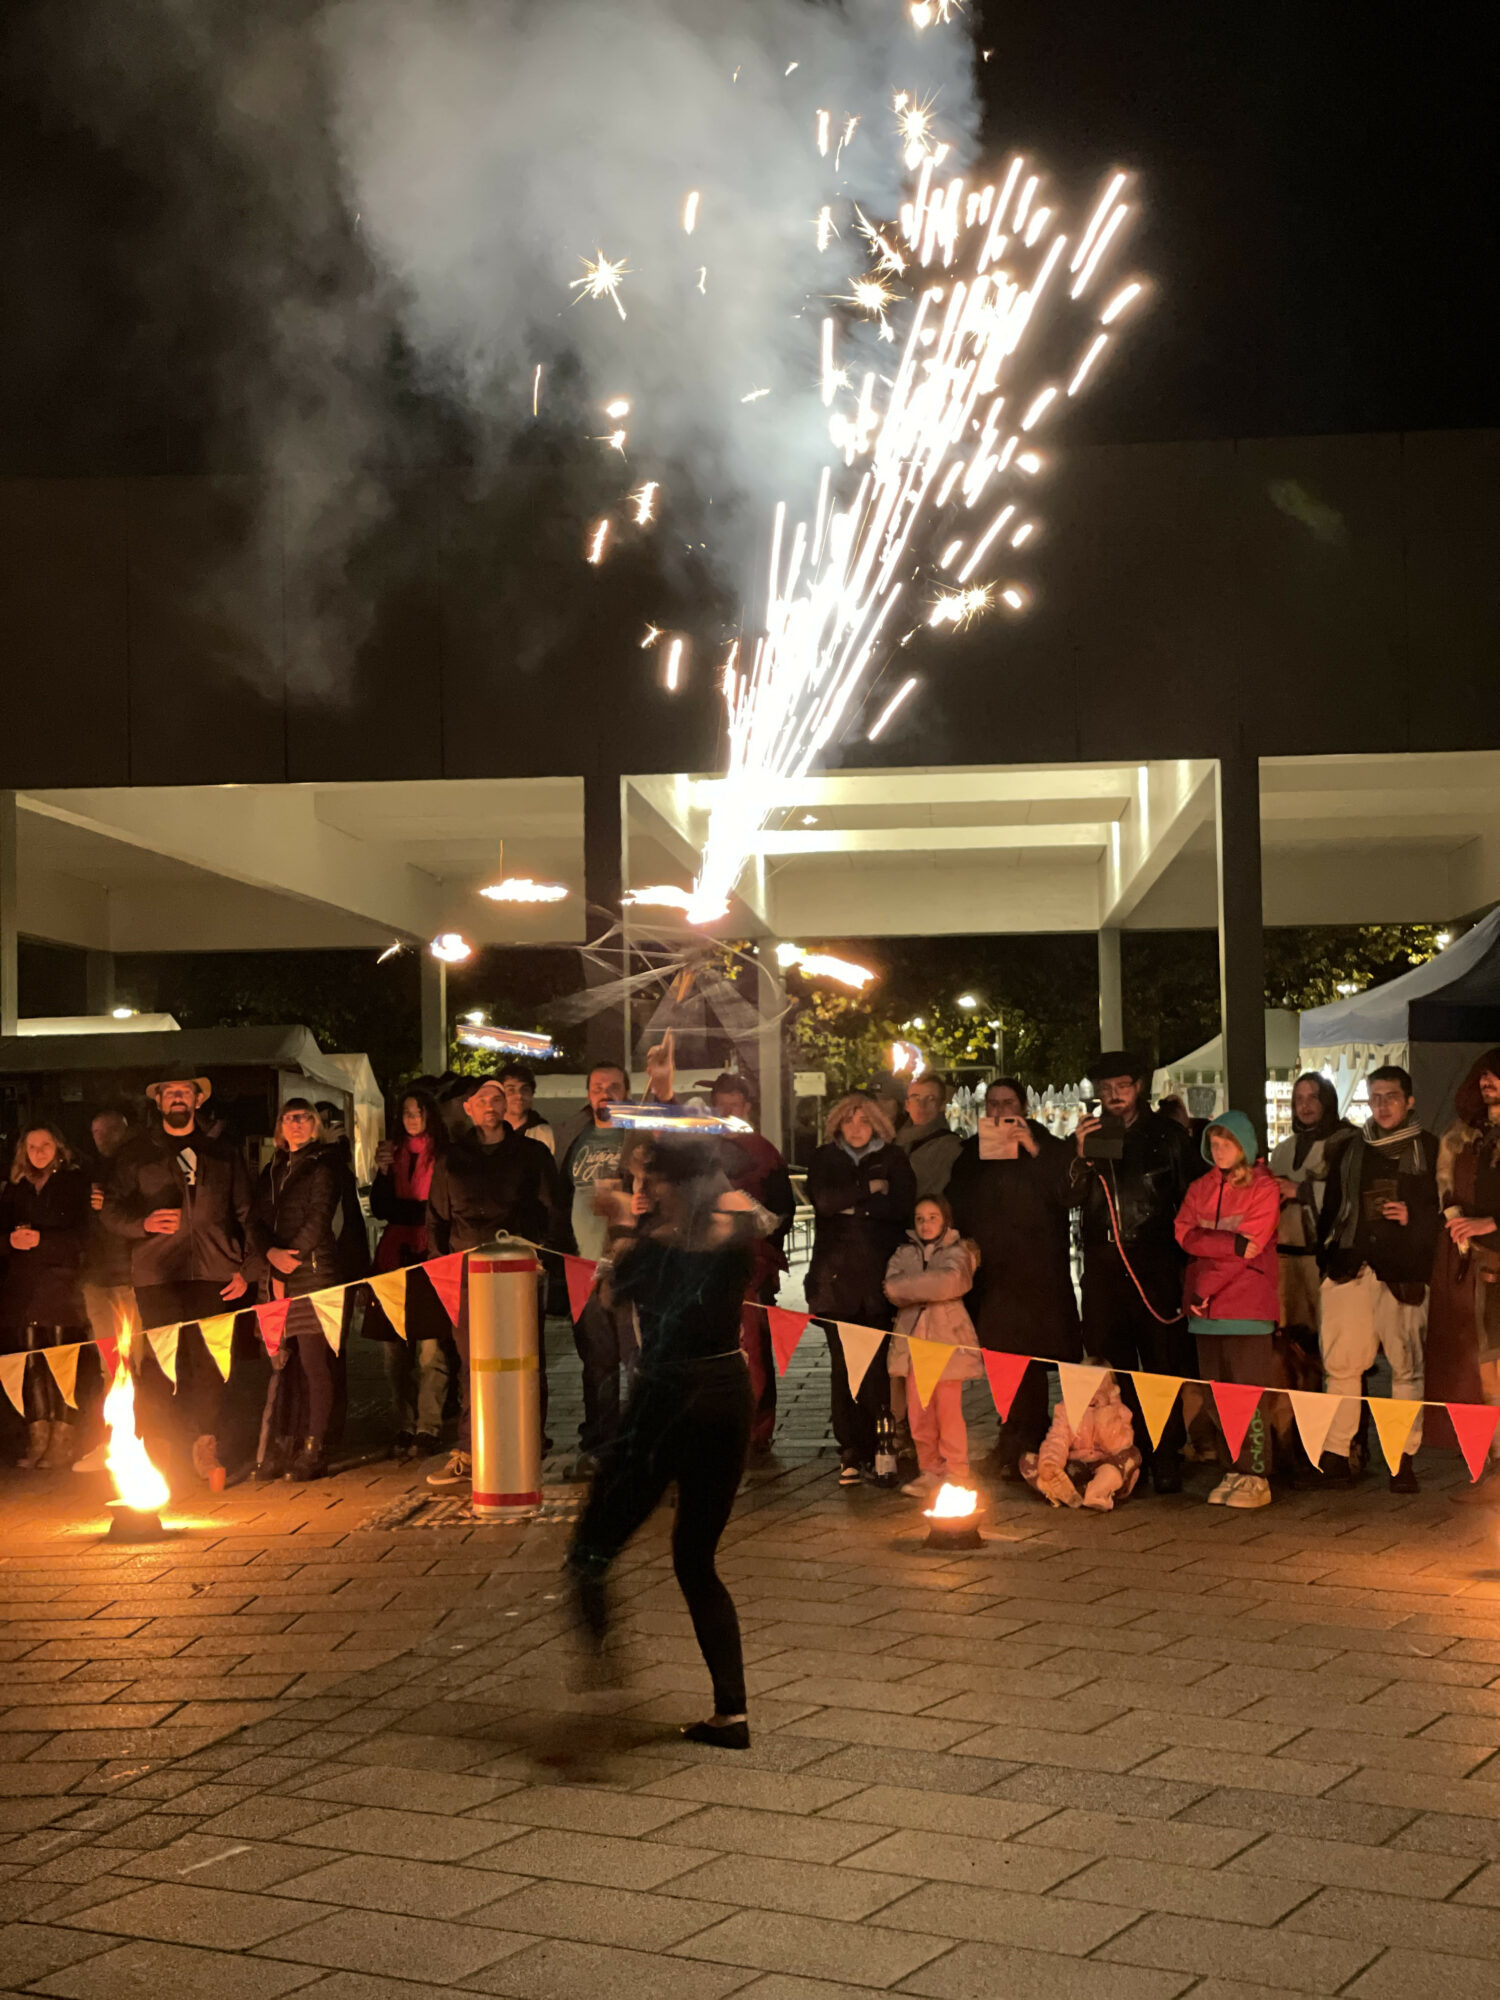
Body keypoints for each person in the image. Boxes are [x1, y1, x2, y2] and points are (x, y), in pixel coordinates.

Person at [566, 1133, 775, 1750]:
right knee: (696, 1558)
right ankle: (730, 1713)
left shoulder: (644, 1253)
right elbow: (745, 1215)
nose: (640, 1191)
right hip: (726, 1393)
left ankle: (602, 1656)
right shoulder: (733, 1243)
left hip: (665, 1404)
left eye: (648, 1181)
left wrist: (617, 1229)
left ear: (673, 1188)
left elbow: (609, 1296)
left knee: (590, 1548)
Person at [102, 1075, 252, 1487]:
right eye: (169, 1093)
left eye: (184, 1091)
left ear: (198, 1098)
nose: (177, 1098)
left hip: (215, 1271)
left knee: (209, 1363)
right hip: (156, 1272)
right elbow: (110, 1211)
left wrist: (247, 1267)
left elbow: (246, 1212)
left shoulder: (223, 1150)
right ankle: (159, 1447)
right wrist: (142, 1223)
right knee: (159, 1363)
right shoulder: (136, 1153)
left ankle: (206, 1445)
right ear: (159, 1102)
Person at [1072, 1051, 1203, 1492]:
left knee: (1161, 1361)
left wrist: (1186, 1268)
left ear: (1139, 1087)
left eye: (1122, 1087)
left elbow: (1191, 1200)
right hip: (1103, 1263)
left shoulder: (1167, 1136)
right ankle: (1125, 1451)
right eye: (1105, 1089)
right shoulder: (1089, 1136)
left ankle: (1166, 1453)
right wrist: (1078, 1155)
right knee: (1114, 1364)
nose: (1113, 1096)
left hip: (1154, 1260)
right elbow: (1070, 1198)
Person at [425, 1074, 559, 1491]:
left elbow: (550, 1210)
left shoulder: (532, 1154)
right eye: (481, 1099)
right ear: (468, 1108)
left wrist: (541, 1253)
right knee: (473, 1362)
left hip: (518, 1266)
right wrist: (441, 1271)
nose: (489, 1105)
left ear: (506, 1107)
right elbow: (437, 1221)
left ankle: (528, 1443)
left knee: (525, 1357)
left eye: (497, 1098)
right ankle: (469, 1449)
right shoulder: (451, 1159)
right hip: (466, 1271)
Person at [949, 1076, 1081, 1476]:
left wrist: (1035, 1151)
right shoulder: (971, 1152)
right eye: (992, 1103)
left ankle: (1032, 1441)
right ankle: (1013, 1438)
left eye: (1007, 1102)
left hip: (1037, 1274)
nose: (1000, 1110)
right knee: (1002, 1360)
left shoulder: (1048, 1146)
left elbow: (1068, 1194)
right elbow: (958, 1202)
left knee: (1034, 1360)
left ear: (1023, 1107)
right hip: (992, 1275)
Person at [1316, 1064, 1439, 1492]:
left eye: (1391, 1096)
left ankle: (1400, 1458)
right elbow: (1331, 1208)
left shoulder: (1429, 1148)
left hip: (1402, 1270)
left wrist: (1415, 1216)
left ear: (1409, 1101)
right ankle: (1336, 1454)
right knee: (1342, 1366)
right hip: (1351, 1266)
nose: (1383, 1105)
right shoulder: (1352, 1148)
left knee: (1406, 1368)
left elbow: (1448, 1209)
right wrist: (1328, 1258)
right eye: (1376, 1097)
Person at [556, 1044, 677, 1476]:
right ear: (588, 1094)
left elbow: (667, 1167)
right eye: (597, 1088)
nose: (604, 1093)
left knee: (637, 1359)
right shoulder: (573, 1137)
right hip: (582, 1266)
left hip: (628, 1263)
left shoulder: (637, 1133)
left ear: (626, 1092)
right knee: (597, 1362)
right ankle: (600, 1445)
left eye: (613, 1087)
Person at [806, 1091, 917, 1485]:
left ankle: (880, 1446)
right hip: (834, 1282)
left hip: (878, 1279)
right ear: (838, 1121)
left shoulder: (893, 1158)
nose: (856, 1128)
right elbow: (823, 1201)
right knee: (843, 1367)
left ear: (877, 1124)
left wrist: (851, 1208)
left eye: (864, 1120)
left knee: (877, 1369)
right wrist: (869, 1190)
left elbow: (902, 1207)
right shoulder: (824, 1158)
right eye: (849, 1120)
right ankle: (850, 1449)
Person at [1175, 1111, 1283, 1508]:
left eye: (1227, 1143)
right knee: (1215, 1395)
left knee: (1247, 1394)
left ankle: (1257, 1475)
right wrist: (1226, 1243)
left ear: (1245, 1146)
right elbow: (1183, 1233)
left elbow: (1250, 1247)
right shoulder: (1200, 1187)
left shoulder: (1264, 1189)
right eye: (1213, 1143)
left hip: (1246, 1308)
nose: (1219, 1150)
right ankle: (1232, 1469)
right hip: (1206, 1313)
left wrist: (1204, 1280)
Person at [246, 1100, 345, 1481]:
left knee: (312, 1363)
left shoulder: (323, 1165)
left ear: (316, 1124)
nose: (296, 1124)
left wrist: (293, 1257)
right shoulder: (272, 1170)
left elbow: (320, 1217)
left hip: (313, 1273)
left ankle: (314, 1446)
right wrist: (269, 1256)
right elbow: (255, 1219)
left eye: (304, 1118)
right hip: (274, 1275)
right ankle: (280, 1443)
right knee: (280, 1362)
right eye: (288, 1118)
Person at [1425, 1049, 1500, 1502]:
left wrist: (1491, 1224)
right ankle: (1495, 1461)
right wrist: (1456, 1219)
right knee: (1485, 1368)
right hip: (1474, 1265)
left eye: (1497, 1075)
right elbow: (1446, 1188)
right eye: (1485, 1075)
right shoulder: (1464, 1138)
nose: (1489, 1081)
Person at [708, 1071, 794, 1456]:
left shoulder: (764, 1151)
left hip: (751, 1267)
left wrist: (763, 1254)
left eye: (735, 1104)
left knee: (754, 1348)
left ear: (746, 1107)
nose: (727, 1111)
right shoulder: (701, 1150)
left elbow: (783, 1211)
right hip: (707, 1267)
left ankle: (758, 1429)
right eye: (721, 1105)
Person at [1, 1124, 91, 1469]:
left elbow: (83, 1237)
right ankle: (38, 1435)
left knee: (62, 1363)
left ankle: (63, 1437)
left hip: (61, 1289)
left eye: (45, 1144)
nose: (38, 1152)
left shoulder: (74, 1184)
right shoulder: (14, 1189)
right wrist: (10, 1242)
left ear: (59, 1147)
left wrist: (44, 1241)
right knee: (30, 1364)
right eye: (32, 1146)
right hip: (23, 1291)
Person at [368, 1089, 452, 1458]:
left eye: (418, 1111)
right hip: (394, 1254)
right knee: (393, 1352)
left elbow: (443, 1207)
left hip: (432, 1253)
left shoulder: (445, 1154)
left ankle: (428, 1425)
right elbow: (381, 1206)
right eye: (406, 1112)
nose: (412, 1118)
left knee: (430, 1350)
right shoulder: (392, 1155)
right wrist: (384, 1171)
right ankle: (403, 1419)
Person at [884, 1194, 982, 1498]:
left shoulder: (960, 1251)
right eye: (920, 1219)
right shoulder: (904, 1252)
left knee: (949, 1413)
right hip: (913, 1346)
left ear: (946, 1220)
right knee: (919, 1412)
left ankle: (957, 1471)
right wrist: (929, 1285)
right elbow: (891, 1288)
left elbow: (951, 1282)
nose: (926, 1224)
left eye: (932, 1217)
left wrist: (914, 1286)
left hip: (947, 1346)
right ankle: (930, 1469)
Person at [1269, 1073, 1344, 1362]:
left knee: (1335, 1343)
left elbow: (1347, 1194)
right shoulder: (1284, 1149)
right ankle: (1294, 1406)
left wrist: (1300, 1190)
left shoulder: (1344, 1142)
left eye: (1313, 1096)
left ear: (1326, 1100)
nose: (1305, 1105)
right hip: (1286, 1259)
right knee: (1290, 1344)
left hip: (1323, 1259)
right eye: (1299, 1098)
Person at [1022, 1371, 1141, 1510]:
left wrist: (1104, 1414)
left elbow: (1116, 1446)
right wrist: (1051, 1463)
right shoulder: (1067, 1409)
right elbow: (1057, 1439)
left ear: (1112, 1390)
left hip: (1105, 1464)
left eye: (1098, 1387)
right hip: (1076, 1466)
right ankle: (1058, 1489)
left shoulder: (1120, 1411)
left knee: (1131, 1455)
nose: (1091, 1393)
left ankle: (1096, 1492)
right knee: (1028, 1461)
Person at [896, 1076, 963, 1201]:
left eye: (930, 1099)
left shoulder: (951, 1147)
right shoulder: (895, 1141)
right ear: (907, 1104)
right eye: (916, 1098)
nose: (922, 1105)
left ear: (942, 1105)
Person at [499, 1064, 556, 1153]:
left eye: (524, 1089)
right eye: (511, 1090)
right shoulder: (489, 1133)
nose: (519, 1095)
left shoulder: (544, 1134)